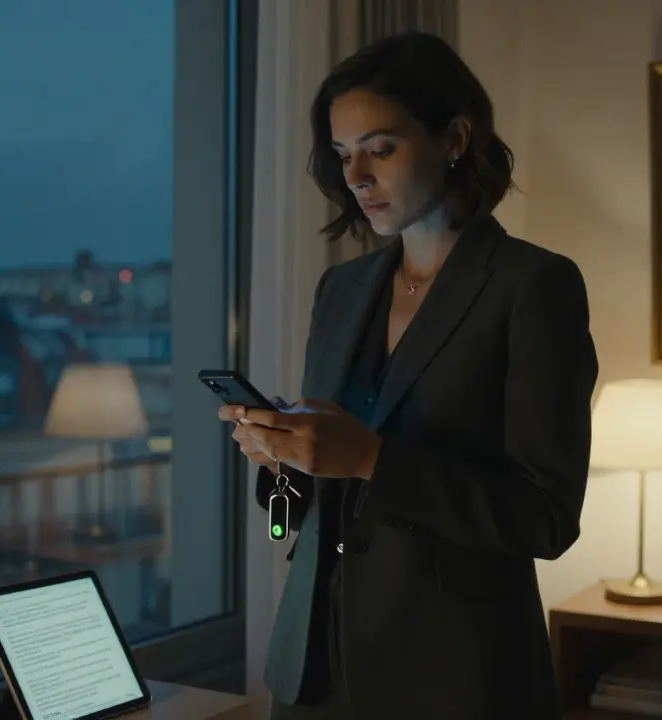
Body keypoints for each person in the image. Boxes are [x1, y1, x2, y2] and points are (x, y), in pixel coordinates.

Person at [218, 32, 598, 719]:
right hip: (313, 672)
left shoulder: (533, 287)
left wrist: (371, 459)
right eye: (343, 155)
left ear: (454, 138)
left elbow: (546, 519)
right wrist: (282, 463)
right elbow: (296, 518)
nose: (356, 177)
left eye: (380, 149)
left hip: (451, 682)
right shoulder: (341, 290)